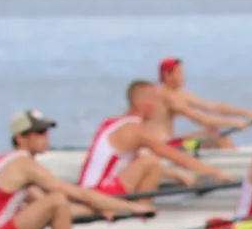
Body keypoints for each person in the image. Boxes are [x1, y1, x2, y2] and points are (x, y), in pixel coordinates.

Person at [0, 110, 154, 229]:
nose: (46, 137)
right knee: (57, 198)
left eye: (46, 131)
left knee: (58, 203)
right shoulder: (24, 165)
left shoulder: (12, 164)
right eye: (39, 132)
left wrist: (103, 210)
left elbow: (64, 211)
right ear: (20, 138)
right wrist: (132, 207)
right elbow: (75, 194)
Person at [83, 83, 233, 198]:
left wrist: (175, 175)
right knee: (151, 162)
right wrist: (217, 173)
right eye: (155, 100)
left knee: (148, 161)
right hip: (101, 193)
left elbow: (134, 160)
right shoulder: (138, 131)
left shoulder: (110, 122)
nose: (158, 105)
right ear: (140, 102)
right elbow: (179, 158)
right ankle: (144, 213)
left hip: (88, 188)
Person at [156, 58, 252, 146]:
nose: (183, 77)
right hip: (166, 146)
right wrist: (233, 123)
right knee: (217, 136)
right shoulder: (166, 95)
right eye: (179, 73)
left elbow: (214, 107)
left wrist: (246, 113)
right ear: (167, 75)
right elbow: (200, 119)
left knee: (214, 132)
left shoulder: (180, 94)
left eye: (182, 73)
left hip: (172, 143)